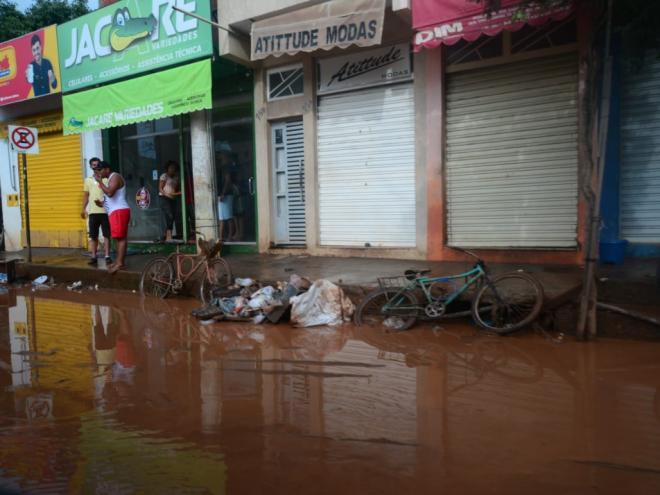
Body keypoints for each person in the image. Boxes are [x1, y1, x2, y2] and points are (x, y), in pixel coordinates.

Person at [94, 161, 130, 274]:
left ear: (107, 169)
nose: (99, 172)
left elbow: (110, 193)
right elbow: (110, 198)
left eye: (100, 170)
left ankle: (120, 263)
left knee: (121, 238)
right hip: (115, 212)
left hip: (119, 211)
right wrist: (102, 203)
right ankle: (119, 262)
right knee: (118, 238)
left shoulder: (115, 177)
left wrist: (100, 182)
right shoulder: (110, 179)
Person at [81, 157, 111, 266]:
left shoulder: (106, 179)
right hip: (93, 212)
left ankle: (107, 256)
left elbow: (110, 194)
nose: (95, 167)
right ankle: (94, 256)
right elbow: (86, 195)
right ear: (90, 166)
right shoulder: (87, 180)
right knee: (93, 236)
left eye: (97, 164)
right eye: (93, 165)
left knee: (107, 235)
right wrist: (83, 208)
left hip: (105, 211)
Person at [216, 143, 236, 241]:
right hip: (222, 194)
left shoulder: (226, 166)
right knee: (222, 217)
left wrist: (223, 193)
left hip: (226, 194)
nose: (218, 155)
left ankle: (229, 236)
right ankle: (221, 237)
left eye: (220, 153)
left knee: (228, 216)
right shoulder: (222, 166)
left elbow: (228, 181)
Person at [158, 160, 182, 242]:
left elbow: (177, 189)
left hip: (173, 198)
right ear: (167, 168)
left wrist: (177, 193)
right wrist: (167, 194)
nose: (172, 169)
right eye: (171, 168)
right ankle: (166, 236)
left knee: (172, 217)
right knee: (169, 215)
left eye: (174, 168)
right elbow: (160, 189)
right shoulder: (164, 176)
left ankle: (168, 236)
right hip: (164, 198)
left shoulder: (176, 177)